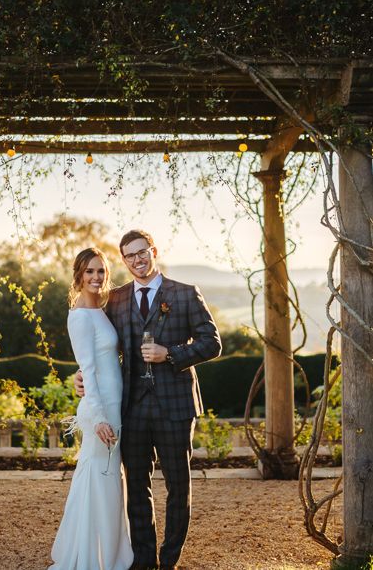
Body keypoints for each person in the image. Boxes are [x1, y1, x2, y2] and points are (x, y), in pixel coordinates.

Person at [75, 229, 222, 570]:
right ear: (124, 260)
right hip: (132, 406)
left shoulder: (184, 294)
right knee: (137, 486)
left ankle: (169, 560)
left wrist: (170, 353)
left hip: (175, 406)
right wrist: (80, 375)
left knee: (178, 485)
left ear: (153, 251)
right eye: (129, 256)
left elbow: (212, 343)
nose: (137, 260)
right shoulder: (117, 299)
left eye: (142, 252)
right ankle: (144, 560)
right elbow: (99, 346)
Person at [49, 247, 134, 570]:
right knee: (100, 478)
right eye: (89, 272)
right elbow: (87, 366)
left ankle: (110, 552)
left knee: (107, 478)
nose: (96, 277)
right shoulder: (80, 316)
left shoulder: (102, 309)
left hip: (114, 404)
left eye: (100, 271)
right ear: (79, 277)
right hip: (101, 410)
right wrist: (97, 417)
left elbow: (104, 362)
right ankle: (92, 558)